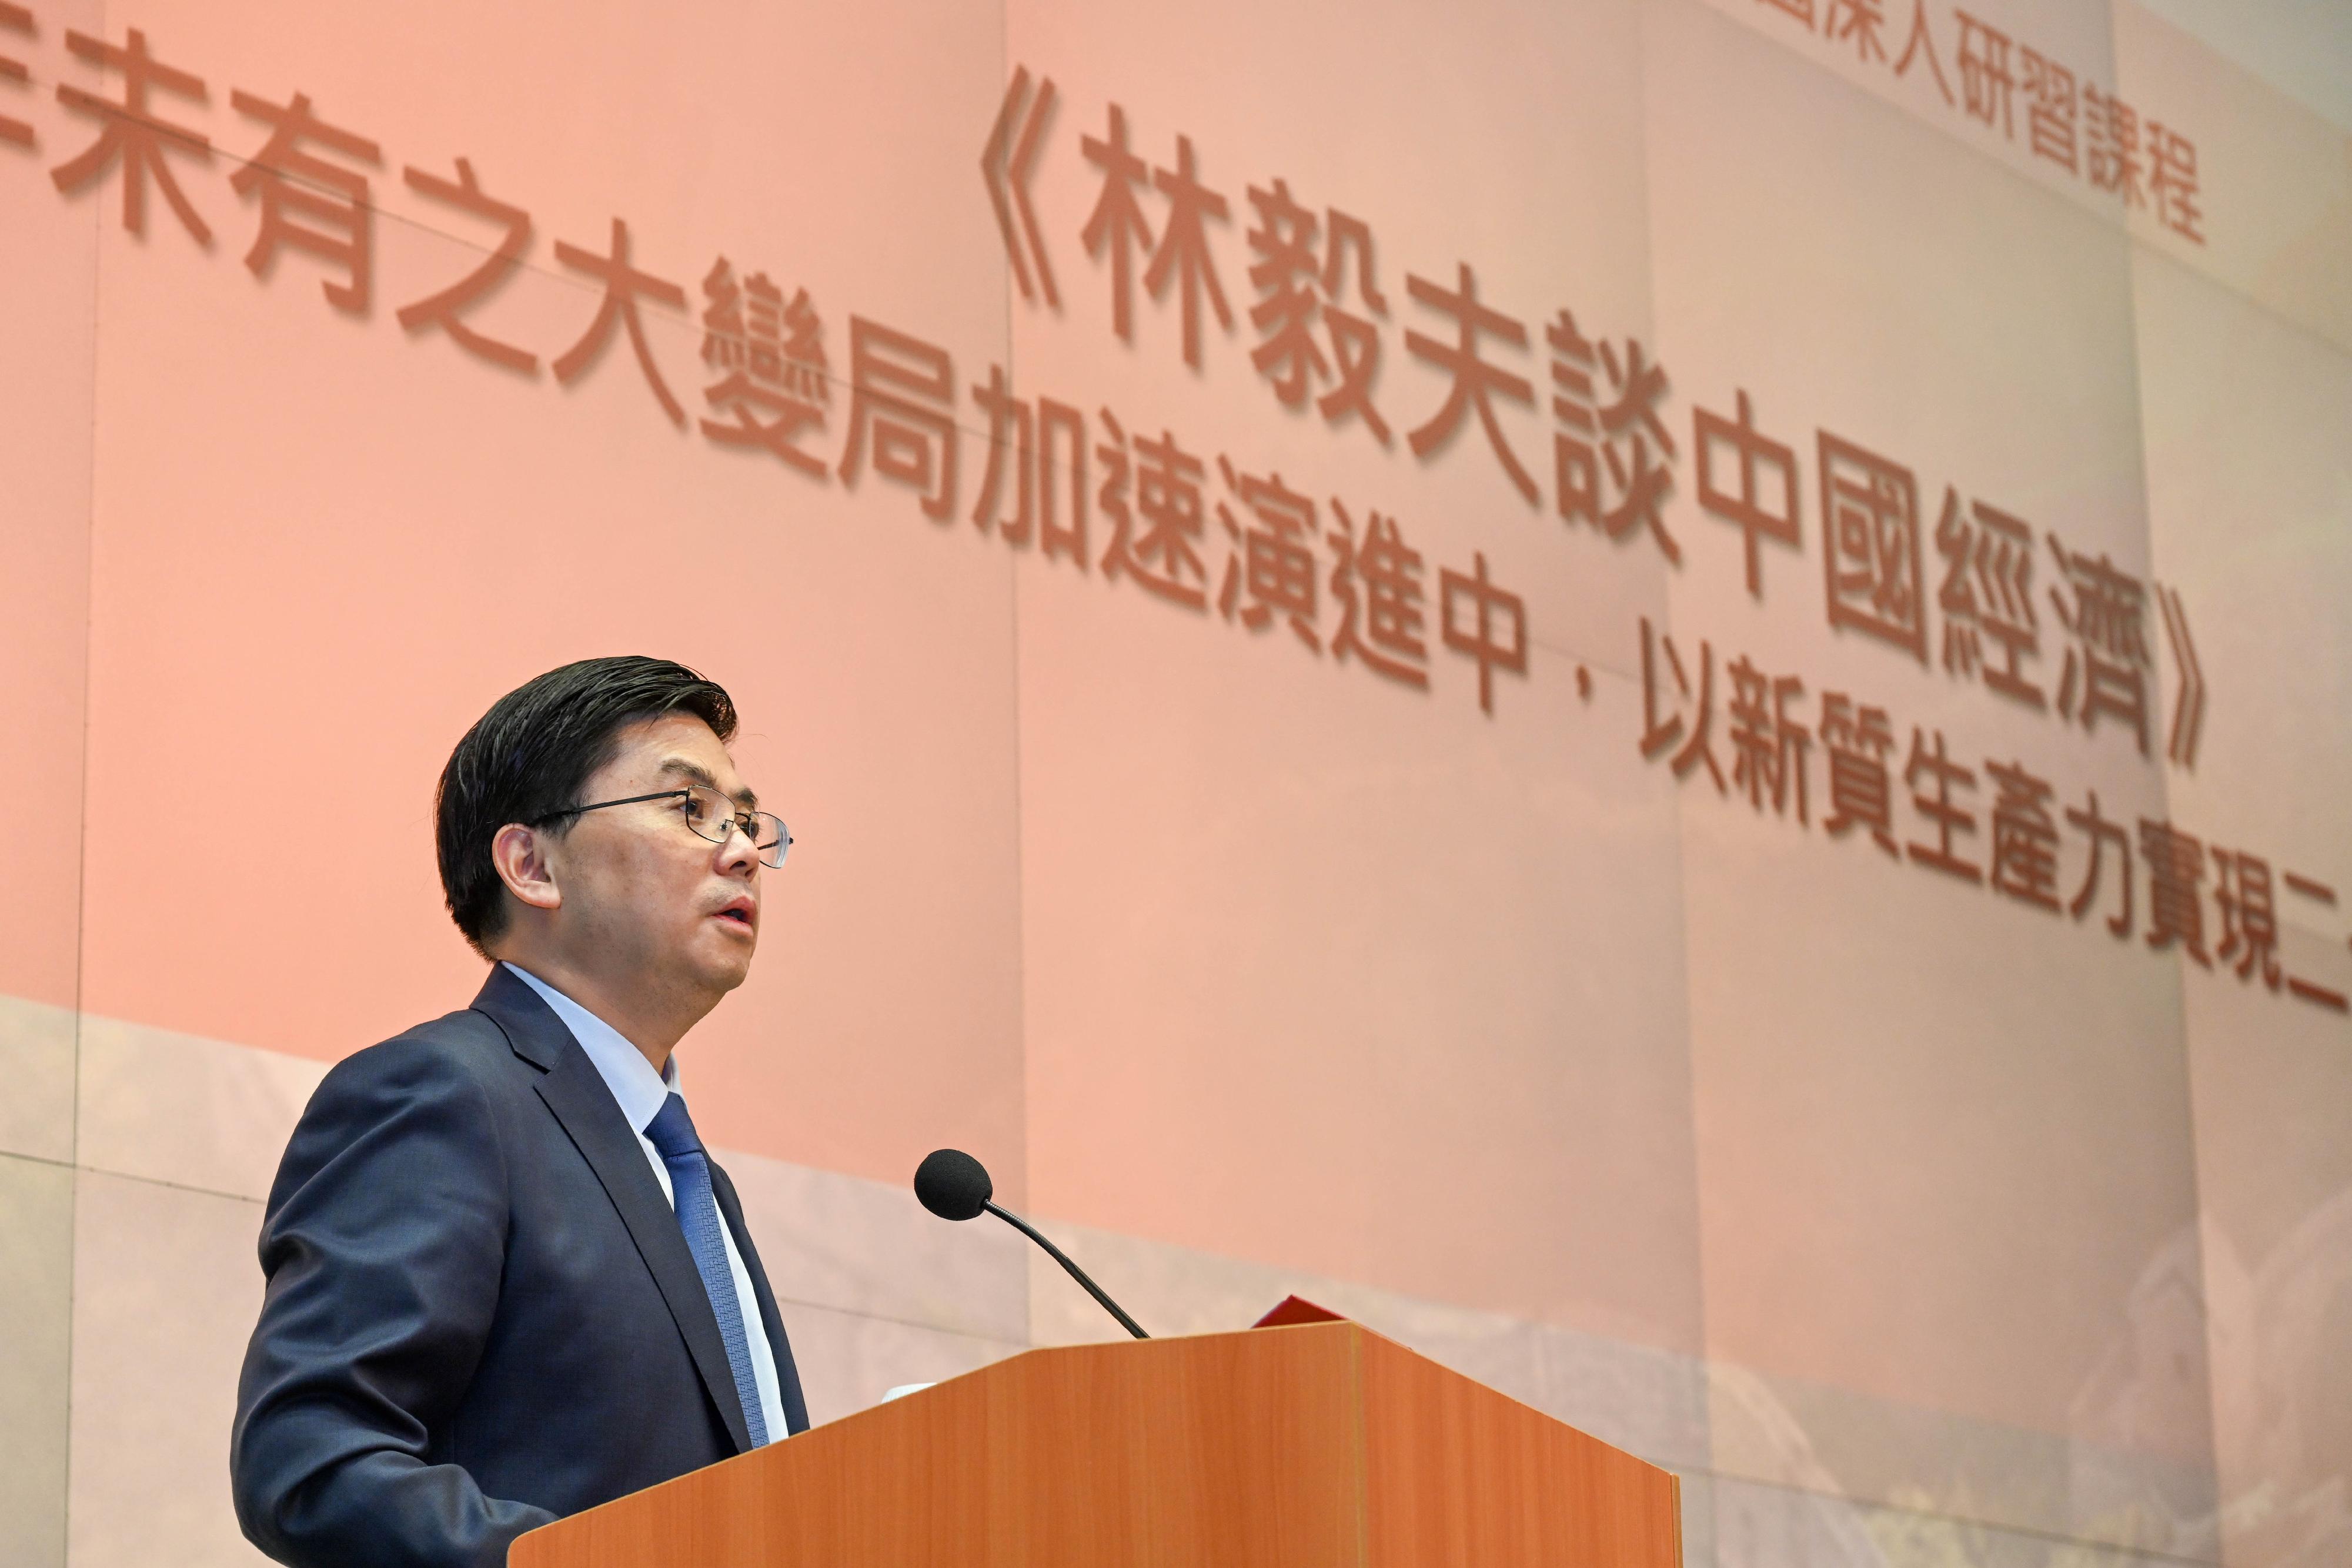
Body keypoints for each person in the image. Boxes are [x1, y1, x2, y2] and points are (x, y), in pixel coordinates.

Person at [232, 656, 808, 1568]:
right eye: (689, 809)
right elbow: (312, 1463)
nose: (739, 849)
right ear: (532, 864)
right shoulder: (443, 1095)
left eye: (746, 819)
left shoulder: (685, 1177)